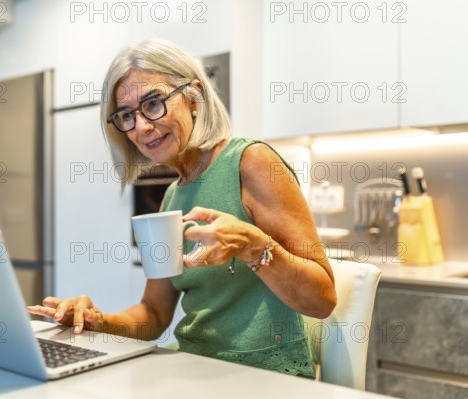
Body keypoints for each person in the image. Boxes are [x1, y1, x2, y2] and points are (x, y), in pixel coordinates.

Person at [28, 38, 337, 379]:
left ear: (193, 97)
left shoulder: (252, 162)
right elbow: (154, 313)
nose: (142, 127)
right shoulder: (173, 195)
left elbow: (321, 300)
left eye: (154, 103)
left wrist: (252, 245)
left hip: (261, 374)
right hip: (192, 365)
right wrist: (97, 320)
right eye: (127, 115)